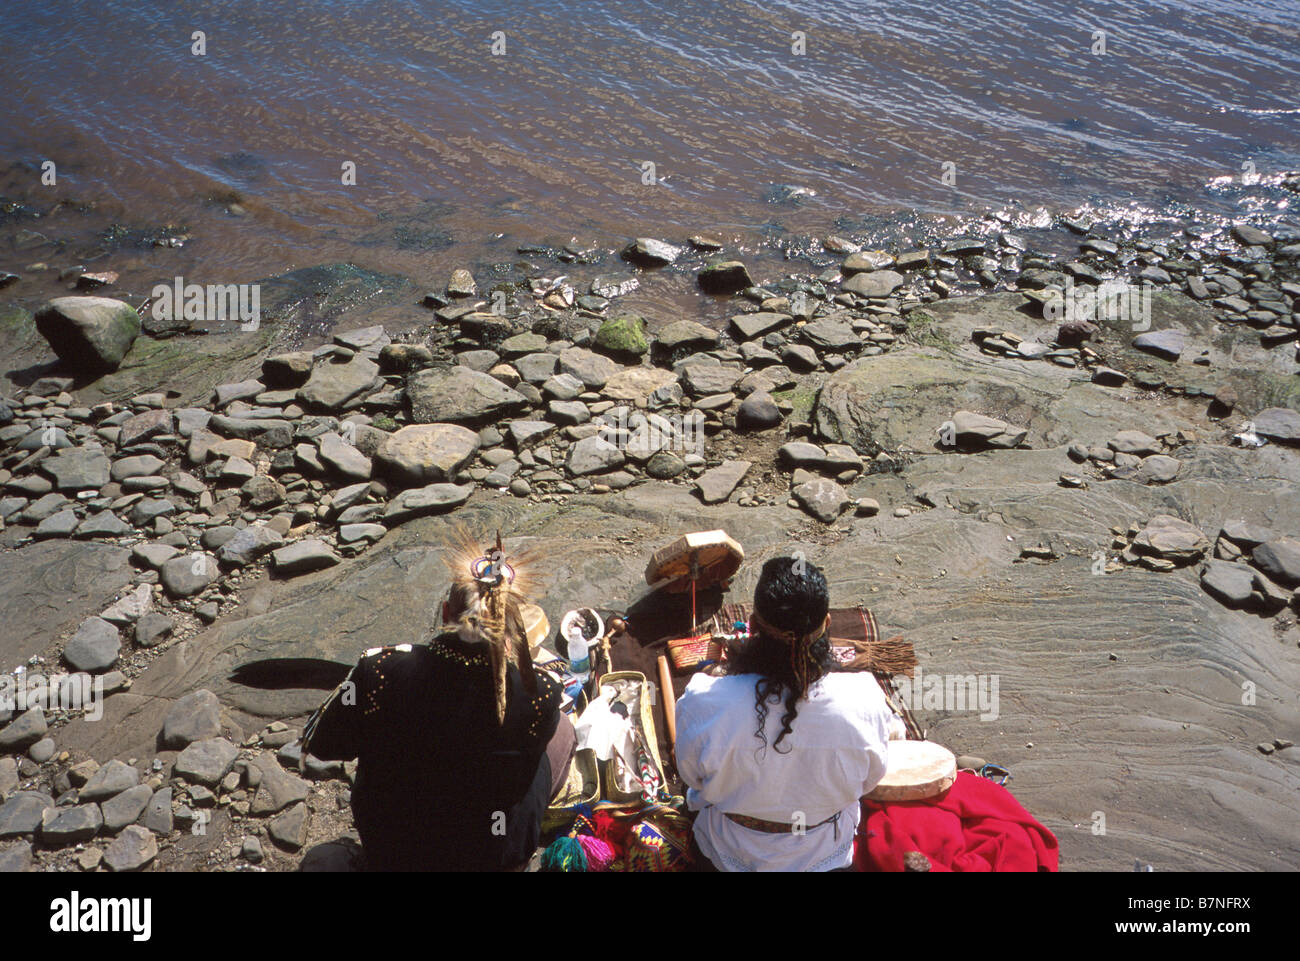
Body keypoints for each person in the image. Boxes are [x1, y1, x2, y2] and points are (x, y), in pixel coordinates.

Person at [302, 530, 572, 871]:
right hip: (489, 853)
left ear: (446, 612)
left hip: (393, 847)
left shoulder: (378, 669)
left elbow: (324, 744)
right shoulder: (540, 692)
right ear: (513, 625)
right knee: (562, 731)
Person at [674, 556, 893, 871]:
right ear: (827, 625)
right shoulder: (864, 697)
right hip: (825, 854)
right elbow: (870, 781)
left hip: (730, 854)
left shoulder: (703, 701)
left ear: (751, 626)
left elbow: (691, 776)